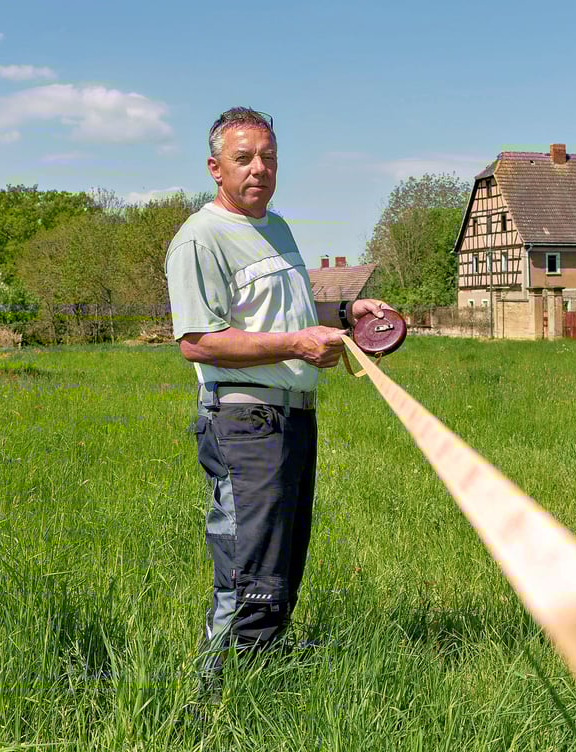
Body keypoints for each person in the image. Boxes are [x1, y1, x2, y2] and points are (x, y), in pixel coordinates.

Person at [164, 107, 391, 682]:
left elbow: (286, 312)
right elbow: (198, 341)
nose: (258, 168)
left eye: (268, 157)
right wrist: (295, 343)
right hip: (245, 420)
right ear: (216, 168)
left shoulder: (278, 227)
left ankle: (262, 684)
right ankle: (211, 704)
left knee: (285, 561)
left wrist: (344, 312)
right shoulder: (200, 237)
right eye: (244, 158)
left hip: (294, 417)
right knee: (251, 569)